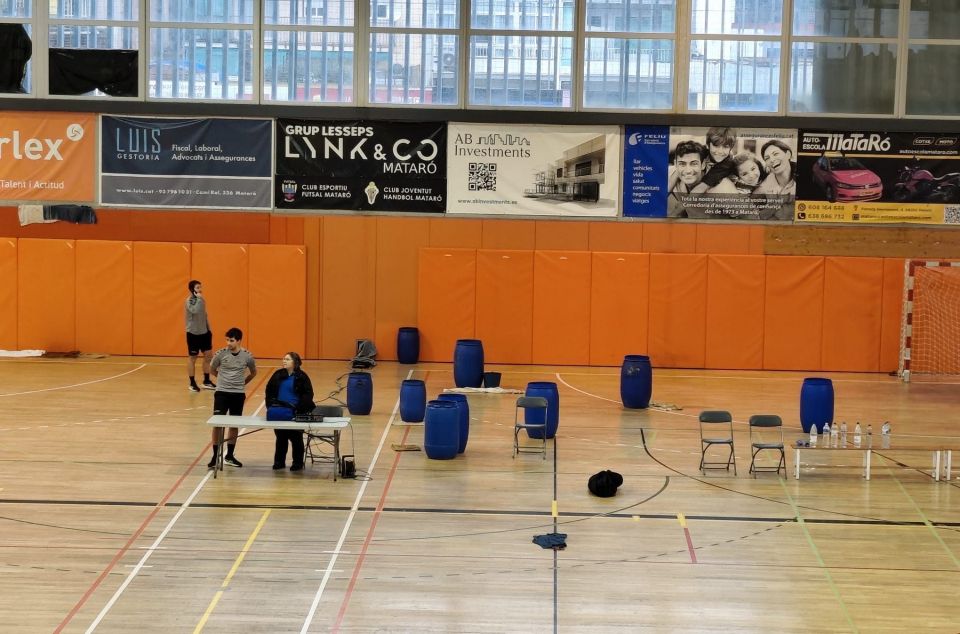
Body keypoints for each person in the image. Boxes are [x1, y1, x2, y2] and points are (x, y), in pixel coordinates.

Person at [209, 327, 257, 468]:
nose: (228, 343)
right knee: (217, 424)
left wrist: (242, 383)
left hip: (238, 394)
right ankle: (215, 455)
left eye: (231, 340)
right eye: (227, 340)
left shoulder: (247, 356)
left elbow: (253, 372)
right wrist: (222, 381)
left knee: (234, 423)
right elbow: (212, 370)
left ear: (239, 340)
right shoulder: (220, 354)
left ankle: (229, 455)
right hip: (222, 393)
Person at [265, 352, 315, 471]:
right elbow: (269, 390)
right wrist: (270, 406)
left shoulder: (302, 376)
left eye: (287, 359)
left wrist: (299, 410)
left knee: (296, 438)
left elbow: (308, 395)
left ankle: (297, 463)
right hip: (279, 412)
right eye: (283, 359)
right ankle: (279, 462)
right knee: (281, 438)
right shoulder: (277, 374)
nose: (284, 361)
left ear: (295, 362)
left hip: (295, 413)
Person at [185, 280, 215, 392]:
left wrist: (208, 329)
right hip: (193, 333)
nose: (200, 289)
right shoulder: (189, 301)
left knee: (208, 356)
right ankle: (192, 383)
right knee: (193, 358)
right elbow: (195, 310)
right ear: (192, 289)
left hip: (204, 333)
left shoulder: (201, 299)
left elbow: (204, 314)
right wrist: (198, 298)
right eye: (198, 287)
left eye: (200, 287)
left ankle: (206, 381)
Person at [667, 140, 707, 217]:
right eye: (682, 164)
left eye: (694, 164)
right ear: (675, 164)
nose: (688, 171)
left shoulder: (720, 186)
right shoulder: (670, 173)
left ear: (703, 164)